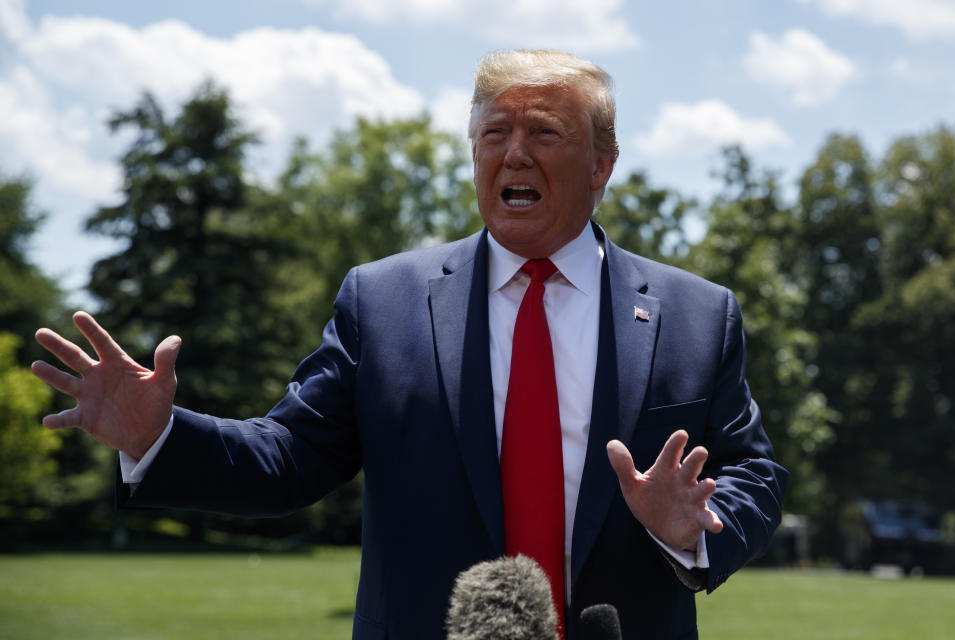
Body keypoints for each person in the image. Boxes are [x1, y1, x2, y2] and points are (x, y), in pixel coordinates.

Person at [32, 50, 787, 639]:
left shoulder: (697, 313)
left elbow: (754, 471)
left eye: (544, 133)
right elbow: (289, 457)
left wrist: (698, 527)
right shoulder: (383, 301)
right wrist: (162, 436)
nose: (513, 154)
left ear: (601, 166)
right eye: (494, 133)